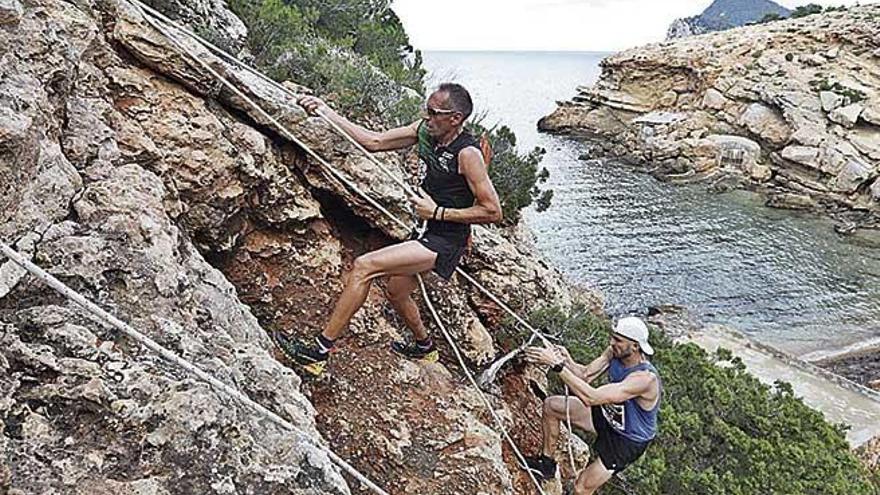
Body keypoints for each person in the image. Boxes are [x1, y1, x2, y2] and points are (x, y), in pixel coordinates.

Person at [272, 83, 502, 377]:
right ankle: (424, 346)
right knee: (396, 292)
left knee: (364, 266)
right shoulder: (425, 131)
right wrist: (326, 112)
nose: (427, 116)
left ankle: (318, 353)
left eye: (434, 112)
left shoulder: (467, 154)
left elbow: (493, 211)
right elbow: (375, 141)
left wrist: (438, 212)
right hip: (425, 229)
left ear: (455, 118)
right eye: (426, 109)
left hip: (445, 240)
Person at [523, 317, 661, 495]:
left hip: (627, 439)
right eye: (613, 337)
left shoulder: (644, 379)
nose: (612, 342)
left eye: (618, 340)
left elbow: (591, 397)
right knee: (551, 406)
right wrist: (566, 361)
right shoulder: (615, 352)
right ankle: (546, 465)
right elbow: (586, 375)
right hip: (608, 416)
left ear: (635, 346)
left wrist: (557, 366)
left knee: (581, 488)